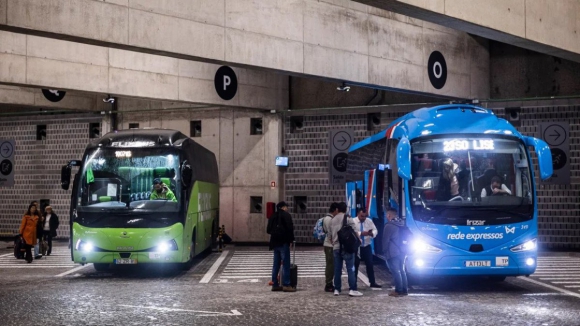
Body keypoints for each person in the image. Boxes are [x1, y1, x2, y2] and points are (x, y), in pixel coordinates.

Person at [330, 202, 363, 297]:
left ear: (338, 209)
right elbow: (355, 231)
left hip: (336, 248)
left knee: (337, 269)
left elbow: (330, 235)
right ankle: (352, 289)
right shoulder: (348, 218)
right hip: (347, 247)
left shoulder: (332, 220)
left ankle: (337, 289)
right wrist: (359, 240)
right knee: (350, 269)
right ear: (345, 209)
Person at [266, 201, 296, 293]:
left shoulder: (272, 216)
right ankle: (286, 284)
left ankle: (275, 284)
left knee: (276, 264)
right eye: (286, 207)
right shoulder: (286, 215)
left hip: (275, 243)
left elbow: (268, 230)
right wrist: (291, 240)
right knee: (286, 263)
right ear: (283, 207)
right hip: (284, 242)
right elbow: (290, 229)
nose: (287, 208)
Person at [382, 208, 408, 297]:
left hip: (393, 251)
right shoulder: (402, 223)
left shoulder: (388, 226)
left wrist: (384, 251)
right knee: (402, 270)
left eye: (386, 215)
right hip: (403, 250)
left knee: (395, 271)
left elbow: (385, 240)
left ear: (389, 215)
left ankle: (398, 290)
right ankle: (404, 289)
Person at [353, 208, 381, 289]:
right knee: (355, 265)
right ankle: (353, 283)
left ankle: (372, 282)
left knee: (370, 264)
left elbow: (375, 229)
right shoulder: (353, 221)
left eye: (365, 216)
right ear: (358, 214)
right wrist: (361, 233)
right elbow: (351, 231)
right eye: (362, 216)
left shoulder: (369, 221)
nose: (363, 218)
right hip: (357, 247)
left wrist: (372, 233)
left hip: (367, 246)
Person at [322, 203, 339, 292]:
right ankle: (328, 284)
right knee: (330, 265)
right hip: (330, 245)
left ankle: (329, 283)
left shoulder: (327, 218)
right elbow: (330, 233)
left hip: (328, 244)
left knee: (331, 264)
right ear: (335, 210)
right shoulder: (330, 219)